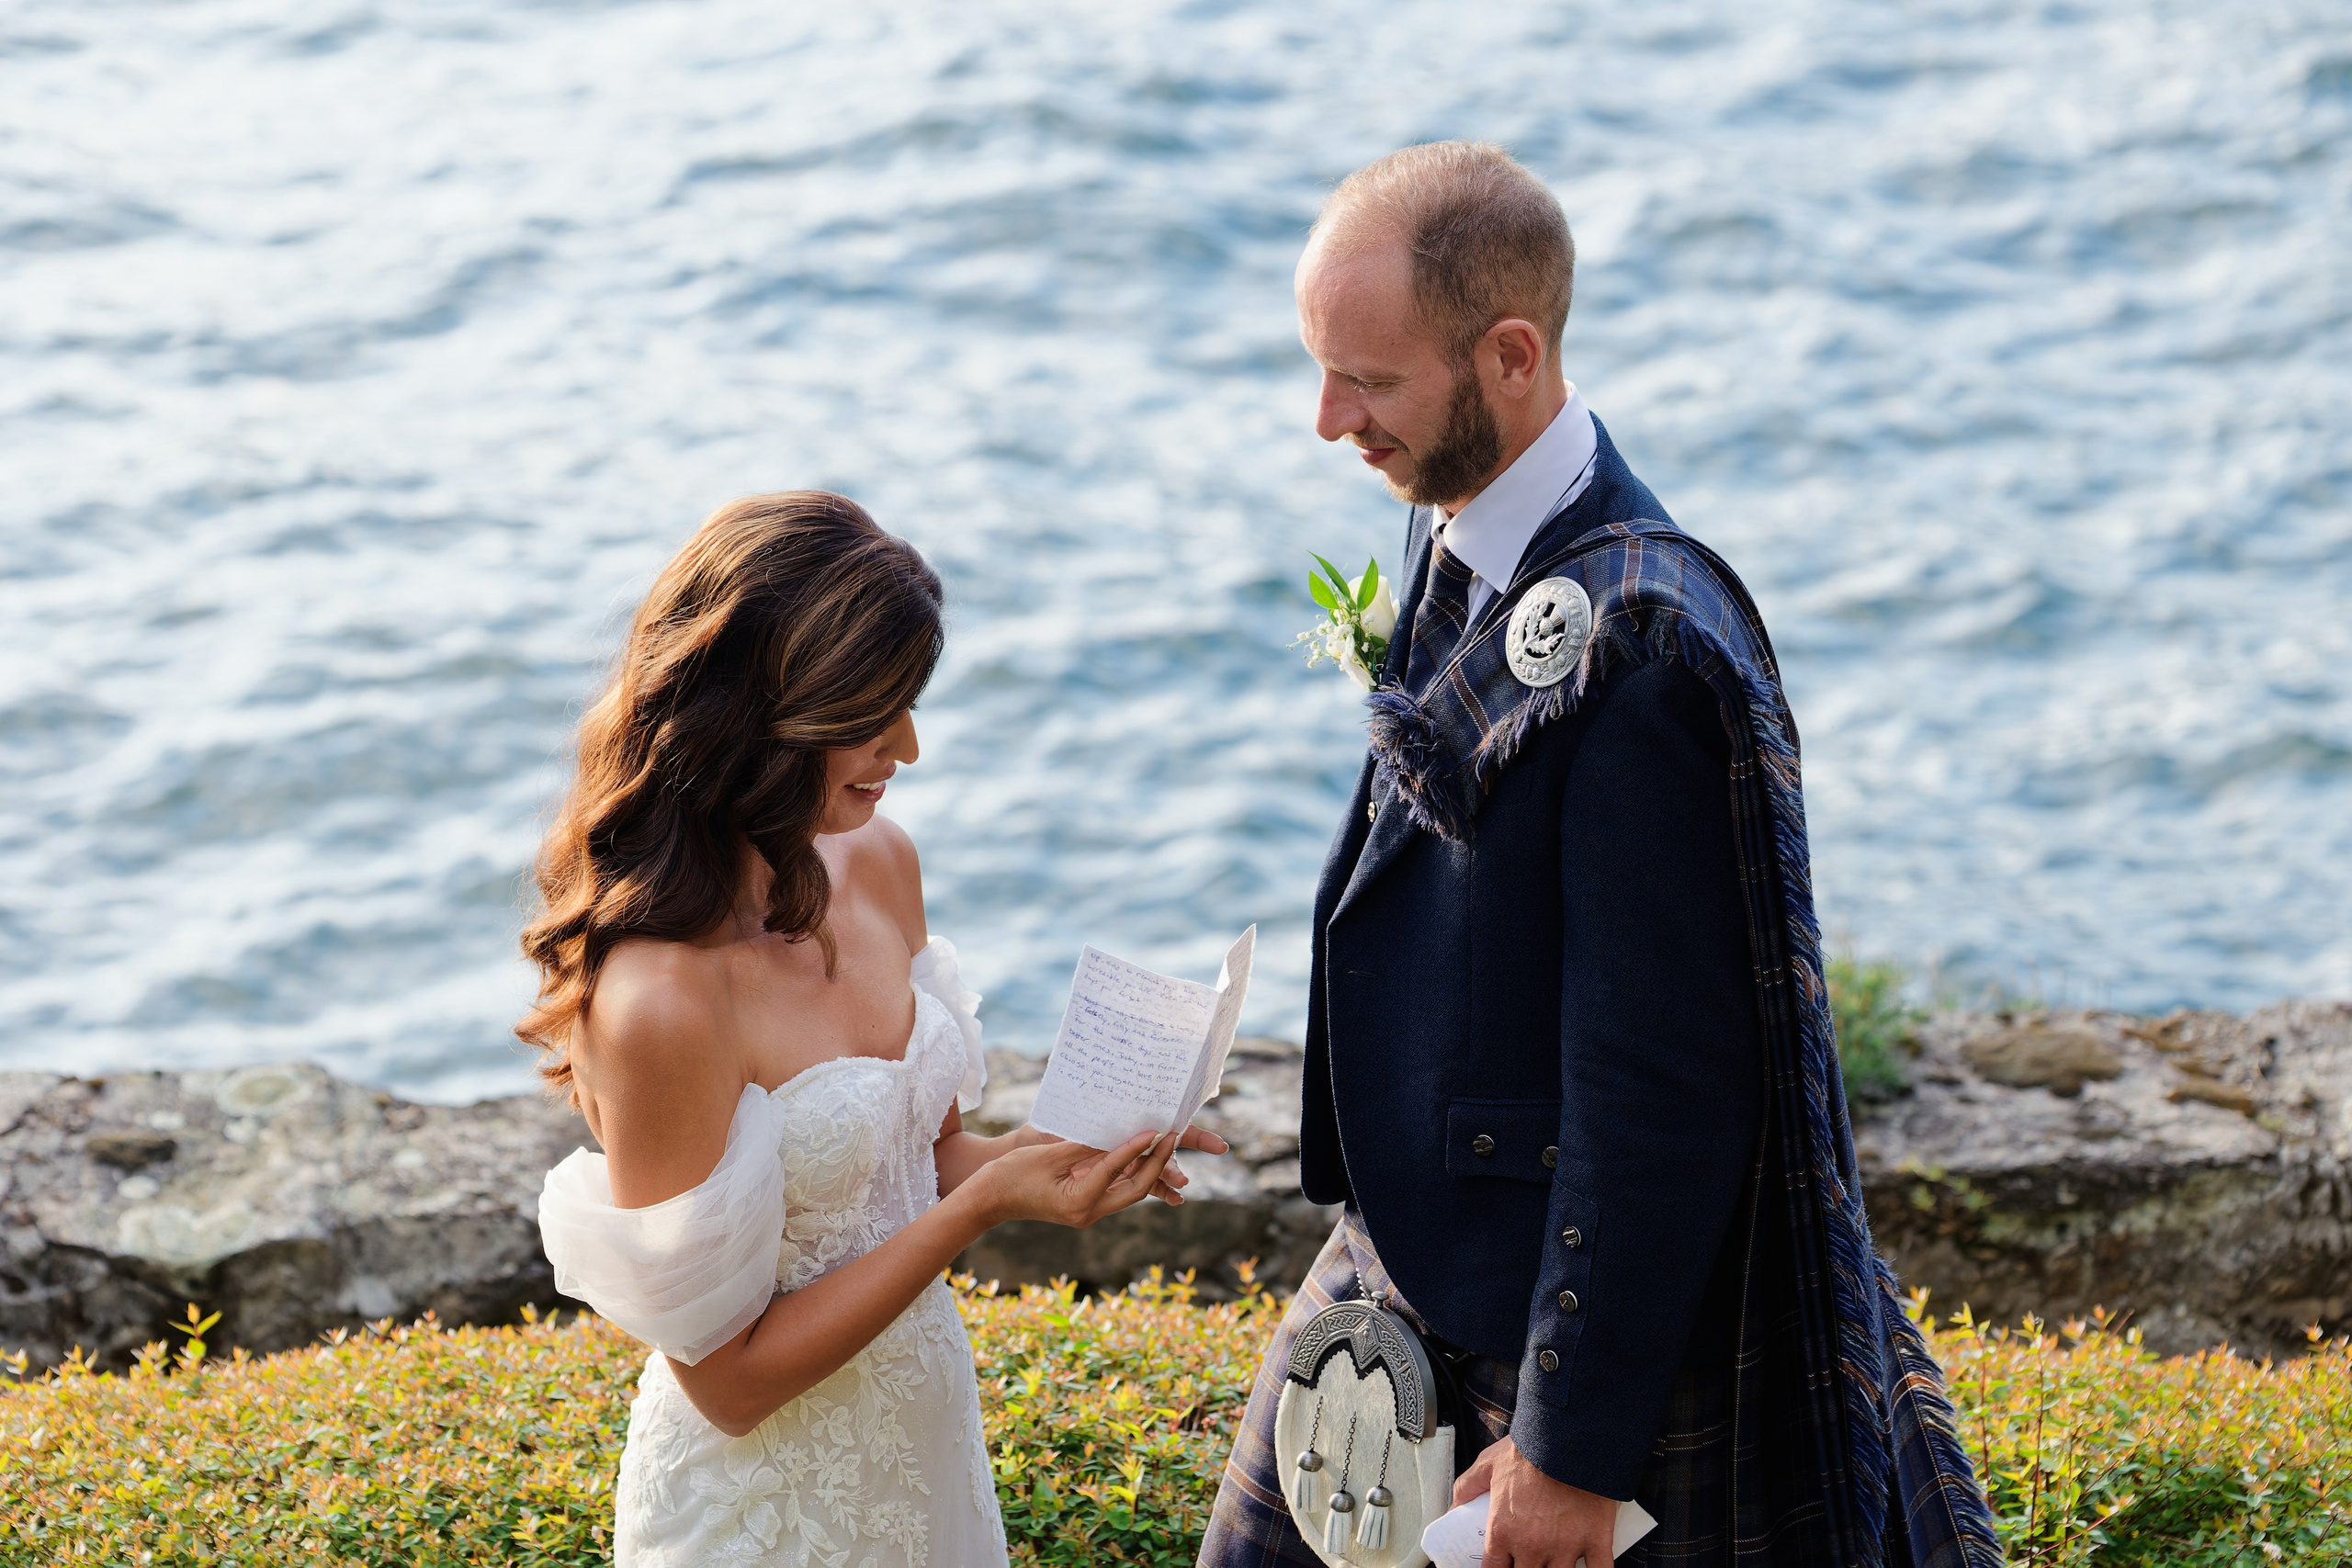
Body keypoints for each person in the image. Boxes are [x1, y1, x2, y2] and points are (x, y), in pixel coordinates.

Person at [1199, 144, 1998, 1568]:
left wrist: (1572, 1448)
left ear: (1509, 356)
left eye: (1366, 380)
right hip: (1420, 1249)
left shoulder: (1644, 654)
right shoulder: (1466, 518)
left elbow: (1666, 1085)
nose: (1327, 420)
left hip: (1571, 1307)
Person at [524, 491, 1225, 1568]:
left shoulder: (881, 860)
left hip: (924, 1453)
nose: (908, 745)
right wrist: (985, 1209)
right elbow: (731, 1380)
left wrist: (1075, 1149)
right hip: (763, 1519)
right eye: (872, 712)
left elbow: (918, 1161)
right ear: (760, 711)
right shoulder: (663, 998)